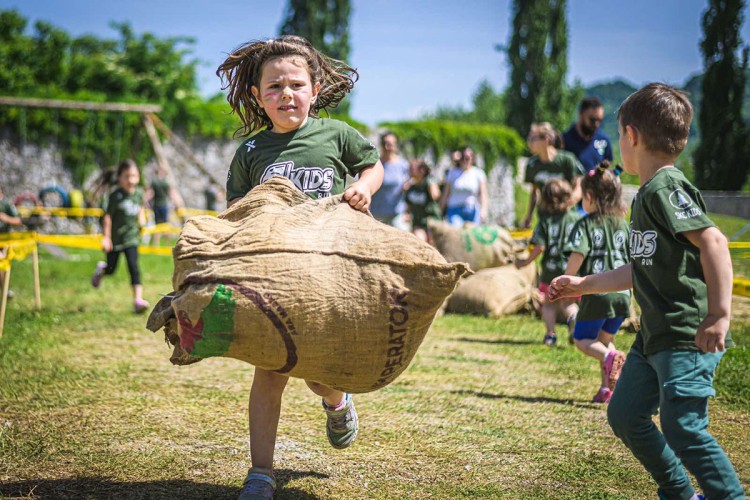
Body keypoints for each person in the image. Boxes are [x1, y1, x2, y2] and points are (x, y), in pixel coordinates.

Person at [549, 83, 744, 499]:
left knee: (683, 429)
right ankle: (679, 492)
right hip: (653, 338)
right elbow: (642, 269)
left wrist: (719, 315)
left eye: (619, 135)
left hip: (686, 335)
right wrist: (584, 284)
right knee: (625, 414)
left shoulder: (663, 188)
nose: (619, 143)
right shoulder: (645, 197)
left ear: (632, 136)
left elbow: (715, 242)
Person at [217, 35, 384, 499]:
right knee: (269, 372)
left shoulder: (337, 135)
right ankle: (260, 474)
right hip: (273, 276)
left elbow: (373, 167)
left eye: (295, 84)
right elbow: (235, 209)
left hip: (327, 275)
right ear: (257, 96)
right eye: (273, 87)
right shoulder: (251, 153)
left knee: (316, 373)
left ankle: (336, 401)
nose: (285, 94)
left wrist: (365, 189)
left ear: (314, 88)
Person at [562, 161, 629, 403]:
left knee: (583, 340)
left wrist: (566, 283)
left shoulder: (586, 224)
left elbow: (578, 254)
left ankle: (611, 359)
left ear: (589, 196)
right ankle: (606, 390)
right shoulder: (624, 224)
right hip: (623, 294)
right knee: (604, 341)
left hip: (598, 292)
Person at [515, 178, 581, 346]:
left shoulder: (545, 221)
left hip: (550, 271)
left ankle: (550, 335)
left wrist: (525, 262)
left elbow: (539, 247)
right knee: (568, 301)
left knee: (548, 303)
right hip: (571, 270)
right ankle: (574, 319)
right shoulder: (576, 219)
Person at [90, 159, 150, 314]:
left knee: (134, 268)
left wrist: (142, 219)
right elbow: (107, 217)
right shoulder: (115, 196)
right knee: (111, 269)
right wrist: (106, 237)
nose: (131, 180)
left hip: (131, 238)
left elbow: (140, 208)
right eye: (127, 176)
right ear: (119, 177)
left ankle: (138, 301)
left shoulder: (138, 193)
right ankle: (102, 270)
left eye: (134, 176)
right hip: (115, 240)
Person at [522, 122, 585, 229]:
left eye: (533, 139)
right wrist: (529, 216)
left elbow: (580, 187)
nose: (529, 142)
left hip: (567, 218)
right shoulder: (532, 165)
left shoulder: (567, 160)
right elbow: (534, 192)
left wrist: (567, 204)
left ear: (546, 140)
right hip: (545, 219)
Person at [563, 97, 614, 174]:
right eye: (592, 120)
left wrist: (599, 174)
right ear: (581, 115)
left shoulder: (603, 140)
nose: (597, 124)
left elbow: (607, 166)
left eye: (599, 120)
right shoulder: (565, 140)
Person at [369, 131, 409, 228]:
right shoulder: (375, 164)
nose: (387, 147)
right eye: (385, 144)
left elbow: (409, 187)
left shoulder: (403, 165)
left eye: (391, 144)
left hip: (397, 213)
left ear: (396, 145)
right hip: (377, 214)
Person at [440, 146, 488, 227]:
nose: (467, 160)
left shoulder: (479, 173)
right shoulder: (453, 173)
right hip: (454, 209)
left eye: (470, 157)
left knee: (472, 236)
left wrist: (484, 210)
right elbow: (446, 193)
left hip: (472, 210)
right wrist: (441, 208)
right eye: (465, 157)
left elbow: (483, 193)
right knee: (457, 233)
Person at [403, 159, 441, 244]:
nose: (410, 170)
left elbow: (435, 195)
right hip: (418, 222)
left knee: (432, 244)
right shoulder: (411, 187)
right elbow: (408, 204)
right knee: (419, 240)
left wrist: (431, 181)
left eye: (413, 168)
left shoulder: (428, 183)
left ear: (422, 170)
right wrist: (407, 213)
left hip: (432, 221)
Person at [145, 167, 184, 246]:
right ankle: (168, 243)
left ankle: (156, 243)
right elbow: (171, 193)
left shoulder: (154, 182)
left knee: (157, 224)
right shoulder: (166, 182)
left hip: (156, 205)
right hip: (164, 205)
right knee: (165, 224)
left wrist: (145, 201)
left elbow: (149, 193)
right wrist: (177, 204)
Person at [0, 187, 23, 298]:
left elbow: (18, 221)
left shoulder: (7, 205)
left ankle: (4, 291)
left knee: (1, 267)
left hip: (4, 241)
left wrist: (6, 219)